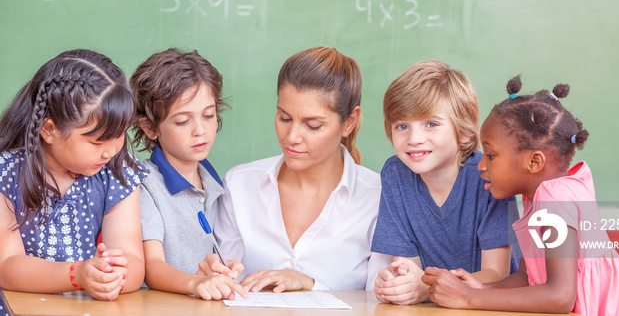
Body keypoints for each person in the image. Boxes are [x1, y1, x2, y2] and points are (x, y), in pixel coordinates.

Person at [422, 75, 619, 315]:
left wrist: (468, 298)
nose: (481, 165)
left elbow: (560, 297)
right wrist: (483, 288)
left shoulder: (555, 198)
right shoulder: (540, 197)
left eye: (491, 155)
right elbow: (528, 276)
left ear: (534, 161)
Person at [198, 46, 391, 292]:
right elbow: (228, 283)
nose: (292, 137)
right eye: (285, 118)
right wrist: (215, 275)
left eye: (312, 125)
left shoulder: (379, 198)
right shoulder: (239, 185)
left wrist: (310, 284)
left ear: (349, 122)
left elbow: (380, 302)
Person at [0, 49, 147, 316]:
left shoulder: (117, 173)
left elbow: (134, 261)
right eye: (97, 141)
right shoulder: (6, 172)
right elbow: (7, 266)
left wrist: (112, 275)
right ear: (49, 130)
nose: (111, 150)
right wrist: (77, 275)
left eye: (121, 134)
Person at [371, 60, 517, 305]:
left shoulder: (489, 177)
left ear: (464, 132)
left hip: (491, 307)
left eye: (431, 124)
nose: (414, 139)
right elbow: (407, 267)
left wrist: (427, 288)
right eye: (402, 126)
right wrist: (398, 282)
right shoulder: (395, 175)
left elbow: (496, 275)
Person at [130, 48, 246, 300]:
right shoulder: (144, 183)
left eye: (208, 115)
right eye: (183, 121)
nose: (200, 130)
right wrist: (196, 284)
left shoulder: (215, 183)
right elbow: (152, 268)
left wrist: (221, 270)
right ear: (150, 128)